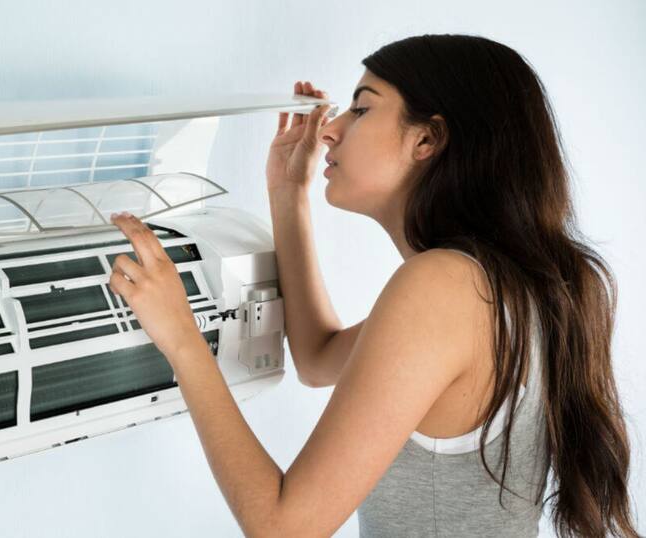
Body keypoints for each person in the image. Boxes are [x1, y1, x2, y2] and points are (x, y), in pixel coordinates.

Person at [106, 34, 638, 537]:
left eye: (361, 109)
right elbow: (318, 359)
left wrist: (183, 339)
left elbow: (283, 527)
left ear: (426, 139)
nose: (330, 129)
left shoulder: (445, 285)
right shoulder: (507, 283)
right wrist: (288, 192)